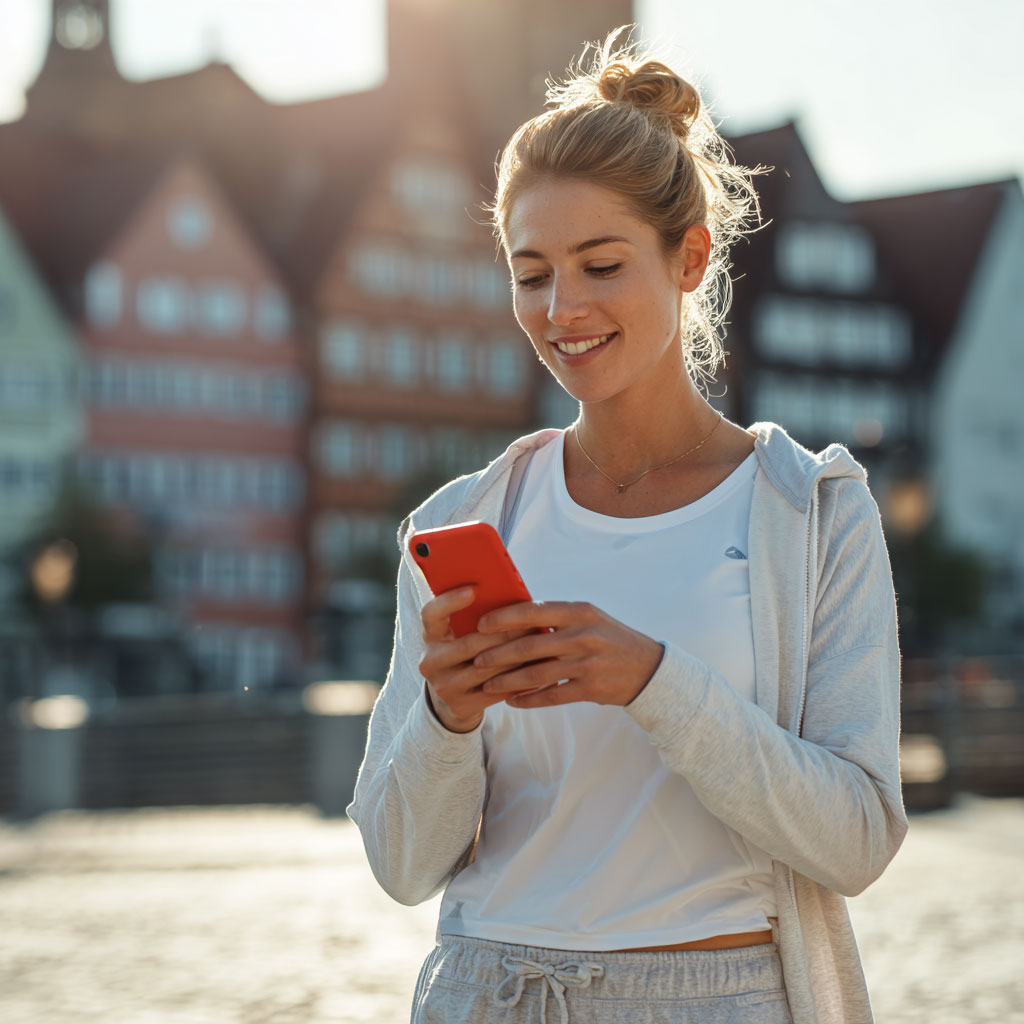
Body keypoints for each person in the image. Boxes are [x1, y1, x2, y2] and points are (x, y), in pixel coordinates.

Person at [348, 30, 907, 1024]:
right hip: (488, 991)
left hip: (711, 998)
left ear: (688, 257)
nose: (561, 308)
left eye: (600, 265)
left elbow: (858, 838)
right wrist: (447, 716)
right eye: (531, 273)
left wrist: (654, 681)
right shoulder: (463, 522)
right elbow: (400, 864)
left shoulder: (809, 509)